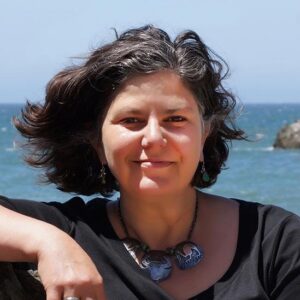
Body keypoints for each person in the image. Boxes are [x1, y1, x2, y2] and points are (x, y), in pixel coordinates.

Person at [0, 25, 300, 300]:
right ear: (97, 143)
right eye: (132, 120)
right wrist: (50, 243)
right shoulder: (73, 232)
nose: (154, 138)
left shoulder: (275, 241)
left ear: (205, 135)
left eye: (176, 119)